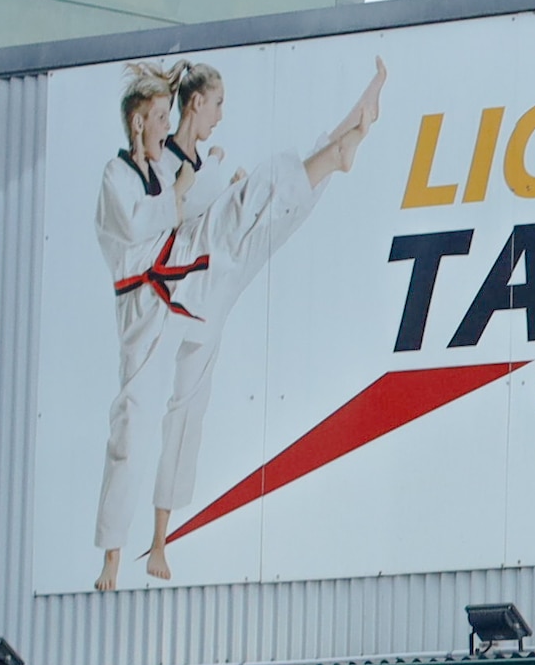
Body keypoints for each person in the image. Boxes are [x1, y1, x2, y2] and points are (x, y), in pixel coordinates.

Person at [100, 53, 385, 586]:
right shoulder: (146, 170)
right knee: (255, 196)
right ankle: (116, 552)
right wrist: (197, 187)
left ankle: (338, 145)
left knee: (271, 216)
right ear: (192, 105)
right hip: (175, 284)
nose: (220, 116)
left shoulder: (178, 165)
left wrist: (208, 182)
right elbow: (154, 224)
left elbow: (184, 206)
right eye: (217, 104)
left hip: (205, 284)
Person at [87, 63, 204, 592]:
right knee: (132, 427)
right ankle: (112, 552)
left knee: (187, 402)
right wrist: (177, 193)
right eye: (158, 117)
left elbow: (179, 209)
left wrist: (191, 186)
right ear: (137, 123)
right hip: (139, 300)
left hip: (175, 292)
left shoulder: (158, 173)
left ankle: (161, 539)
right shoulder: (116, 177)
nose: (165, 127)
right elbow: (137, 224)